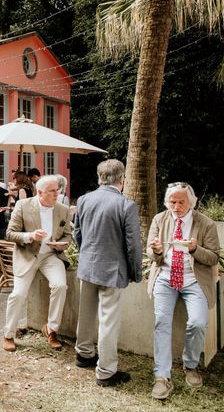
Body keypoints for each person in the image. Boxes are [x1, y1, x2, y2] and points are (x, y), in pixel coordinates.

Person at [147, 182, 221, 400]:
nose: (177, 206)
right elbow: (151, 253)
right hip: (165, 279)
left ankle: (190, 365)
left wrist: (194, 249)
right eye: (172, 202)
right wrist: (156, 251)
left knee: (198, 322)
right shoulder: (160, 219)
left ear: (191, 202)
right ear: (166, 202)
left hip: (193, 280)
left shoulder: (205, 223)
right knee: (161, 321)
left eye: (181, 202)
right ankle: (161, 376)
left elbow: (214, 257)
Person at [73, 159, 142, 387]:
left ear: (99, 177)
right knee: (108, 321)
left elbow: (78, 234)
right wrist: (135, 272)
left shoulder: (83, 200)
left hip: (87, 266)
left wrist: (86, 256)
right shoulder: (126, 205)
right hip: (112, 269)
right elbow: (133, 245)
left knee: (86, 313)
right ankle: (105, 371)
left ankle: (83, 354)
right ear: (122, 179)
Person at [2, 175, 72, 352]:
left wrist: (61, 243)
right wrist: (30, 236)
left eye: (58, 190)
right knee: (17, 294)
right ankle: (8, 334)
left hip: (50, 256)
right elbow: (10, 233)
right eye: (52, 191)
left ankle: (51, 329)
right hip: (27, 255)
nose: (57, 194)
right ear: (40, 192)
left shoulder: (63, 209)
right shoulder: (23, 205)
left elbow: (67, 234)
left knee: (60, 286)